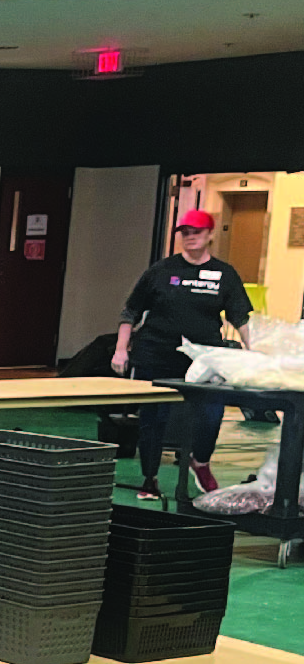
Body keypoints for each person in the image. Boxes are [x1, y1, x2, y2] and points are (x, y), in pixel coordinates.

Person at [113, 207, 256, 500]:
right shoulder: (161, 271)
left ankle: (200, 461)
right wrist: (120, 349)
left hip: (205, 358)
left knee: (212, 411)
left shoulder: (224, 275)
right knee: (153, 417)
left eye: (197, 232)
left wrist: (254, 353)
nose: (190, 237)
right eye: (185, 233)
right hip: (157, 353)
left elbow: (240, 317)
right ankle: (150, 478)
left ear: (210, 235)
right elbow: (131, 311)